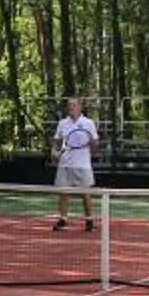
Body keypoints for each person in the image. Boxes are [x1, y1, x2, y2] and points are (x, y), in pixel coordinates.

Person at [49, 96, 100, 231]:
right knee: (63, 193)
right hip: (65, 164)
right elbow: (56, 141)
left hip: (83, 165)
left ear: (80, 107)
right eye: (69, 105)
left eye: (74, 105)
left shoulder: (88, 123)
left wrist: (93, 144)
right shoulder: (62, 123)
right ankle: (63, 219)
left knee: (85, 194)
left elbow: (95, 146)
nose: (71, 107)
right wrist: (54, 151)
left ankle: (89, 221)